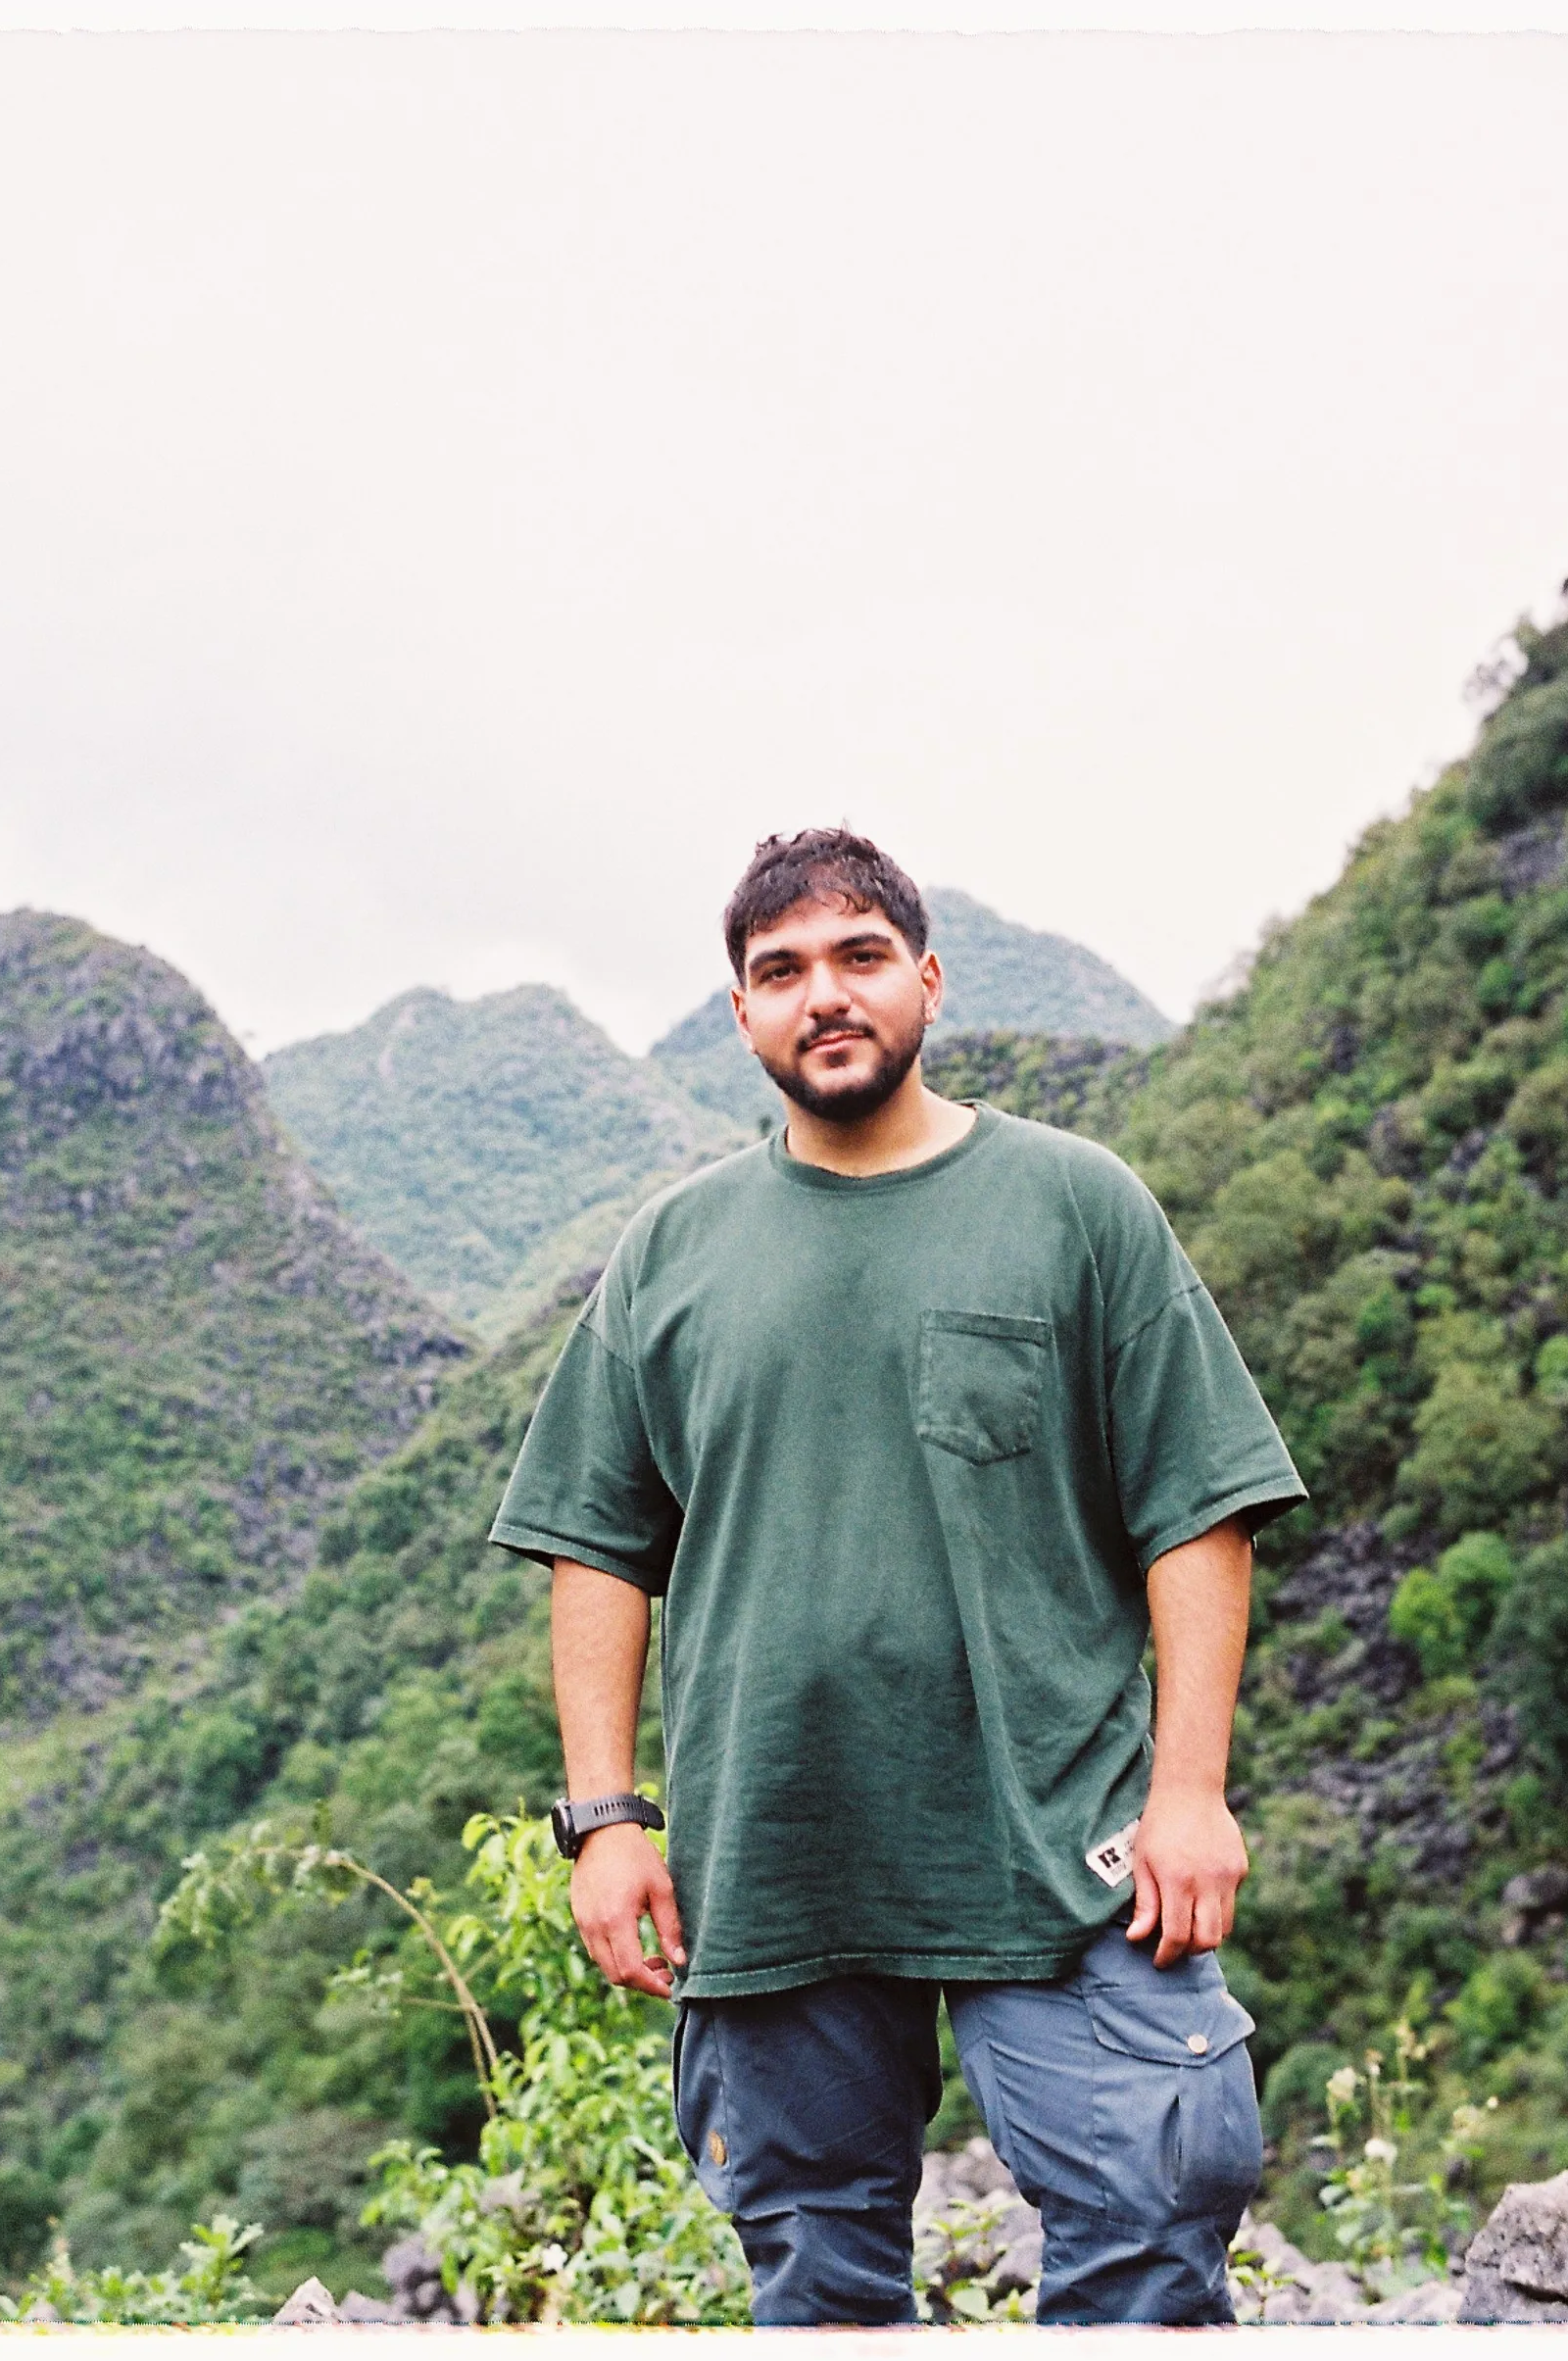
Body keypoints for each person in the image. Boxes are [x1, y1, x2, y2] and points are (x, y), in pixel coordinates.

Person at [487, 828, 1306, 2325]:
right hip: (775, 1853)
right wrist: (605, 1820)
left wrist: (1192, 1792)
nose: (824, 996)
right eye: (779, 972)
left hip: (1062, 1848)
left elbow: (1199, 1511)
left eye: (858, 957)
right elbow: (597, 1543)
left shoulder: (1074, 1205)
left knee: (1149, 2225)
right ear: (741, 1016)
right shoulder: (674, 1249)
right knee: (816, 2274)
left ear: (925, 980)